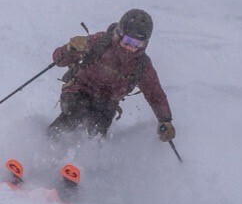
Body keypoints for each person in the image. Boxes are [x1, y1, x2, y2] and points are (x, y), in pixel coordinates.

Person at [48, 9, 176, 143]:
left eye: (137, 44)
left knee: (97, 130)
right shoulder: (100, 42)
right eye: (127, 40)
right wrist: (70, 49)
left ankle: (86, 159)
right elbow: (58, 60)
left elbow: (155, 94)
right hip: (78, 90)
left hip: (107, 103)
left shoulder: (142, 65)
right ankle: (47, 144)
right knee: (74, 113)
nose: (130, 47)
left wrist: (165, 120)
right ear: (119, 34)